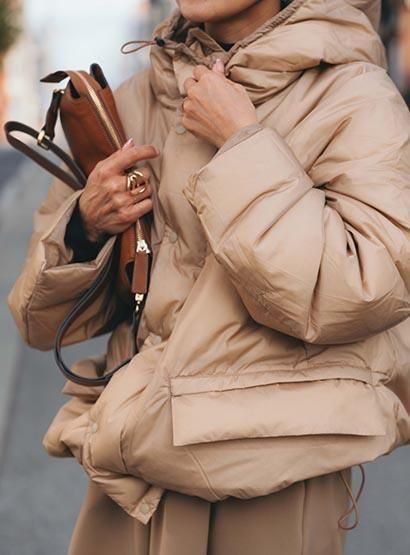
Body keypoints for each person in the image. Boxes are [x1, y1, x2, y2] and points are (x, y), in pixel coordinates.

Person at [8, 0, 410, 554]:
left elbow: (366, 289)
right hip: (133, 471)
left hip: (270, 468)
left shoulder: (354, 97)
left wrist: (243, 143)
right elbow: (37, 319)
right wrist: (86, 225)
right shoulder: (140, 96)